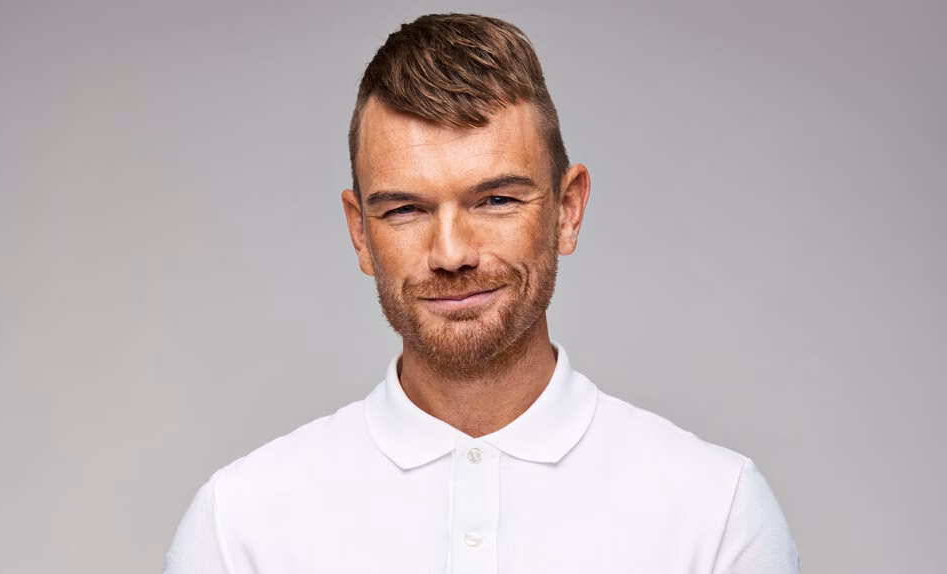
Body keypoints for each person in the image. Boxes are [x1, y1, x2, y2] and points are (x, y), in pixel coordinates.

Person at [165, 13, 799, 574]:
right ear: (360, 233)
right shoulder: (239, 526)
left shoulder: (717, 511)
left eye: (496, 200)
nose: (451, 254)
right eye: (405, 209)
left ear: (567, 210)